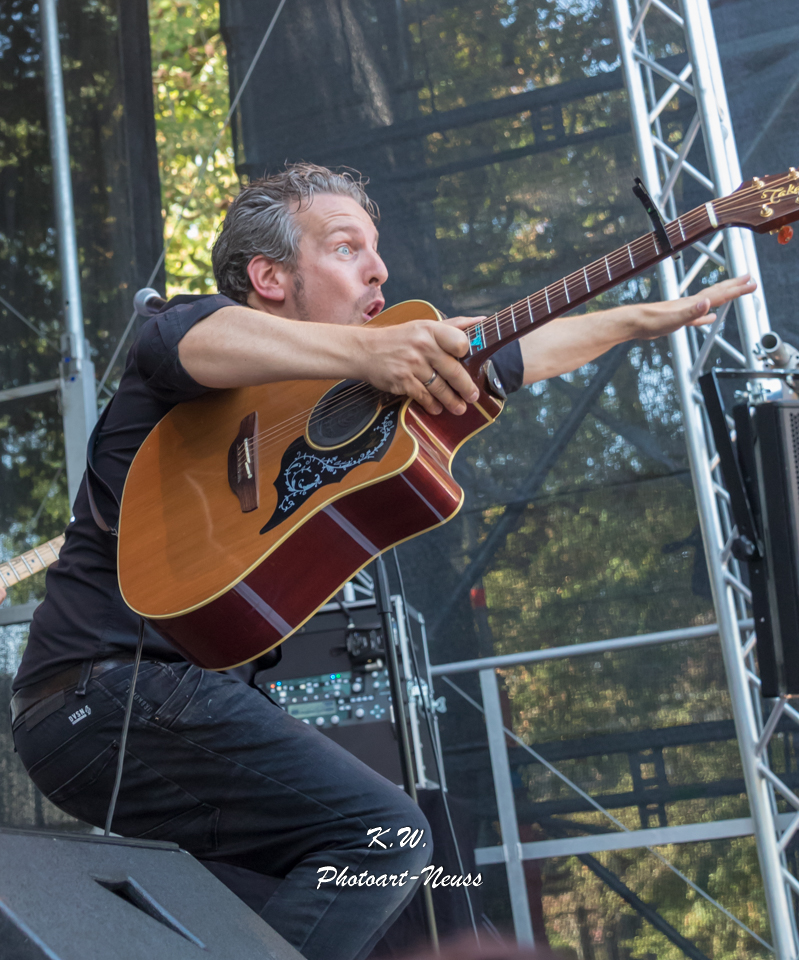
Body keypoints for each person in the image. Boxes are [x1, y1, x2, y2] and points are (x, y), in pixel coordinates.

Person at [6, 163, 754, 959]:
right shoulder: (192, 336)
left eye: (376, 249)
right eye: (344, 247)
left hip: (152, 720)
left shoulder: (359, 382)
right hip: (101, 691)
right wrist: (362, 354)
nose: (378, 268)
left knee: (344, 900)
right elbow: (202, 337)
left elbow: (506, 343)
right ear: (268, 276)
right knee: (387, 833)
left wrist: (634, 321)